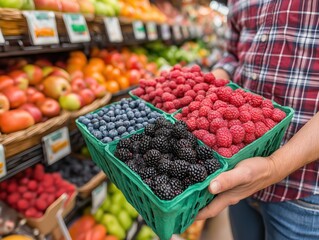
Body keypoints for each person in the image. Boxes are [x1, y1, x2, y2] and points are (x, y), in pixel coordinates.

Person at [196, 0, 319, 239]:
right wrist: (206, 87)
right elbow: (232, 55)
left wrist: (274, 166)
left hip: (304, 193)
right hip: (236, 171)